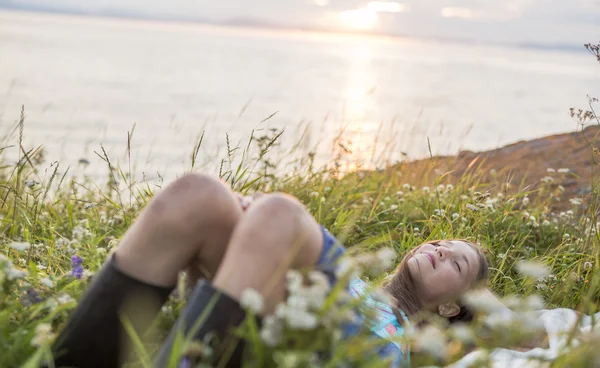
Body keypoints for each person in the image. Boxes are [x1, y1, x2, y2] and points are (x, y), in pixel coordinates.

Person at [48, 173, 491, 368]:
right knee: (198, 195)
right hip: (284, 315)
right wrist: (251, 225)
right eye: (439, 243)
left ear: (453, 306)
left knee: (279, 212)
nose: (440, 250)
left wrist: (270, 221)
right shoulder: (355, 276)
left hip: (357, 351)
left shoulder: (404, 344)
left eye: (457, 261)